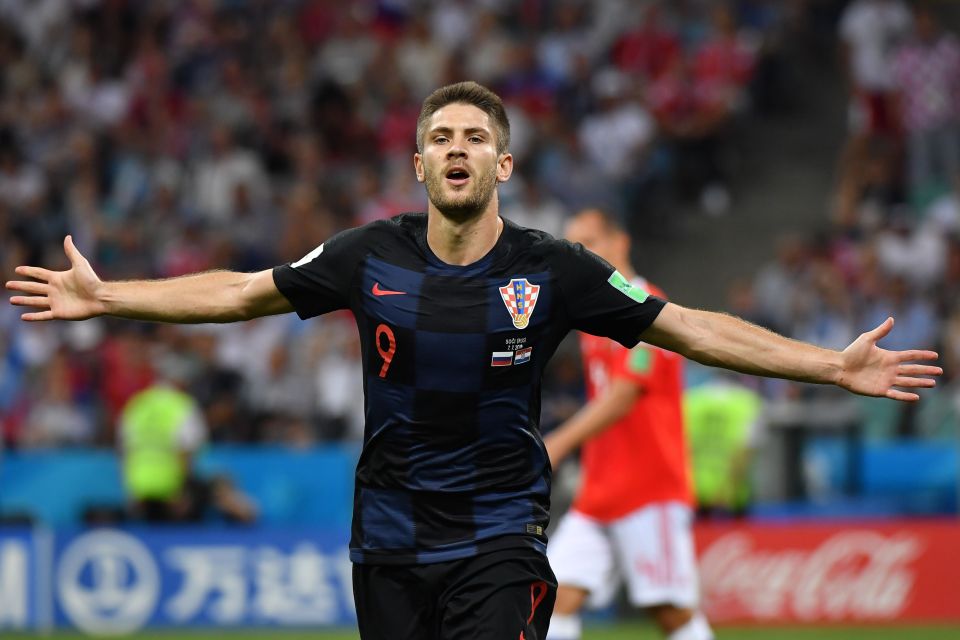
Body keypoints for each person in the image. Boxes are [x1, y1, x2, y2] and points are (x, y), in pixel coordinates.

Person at [5, 81, 941, 640]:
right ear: (419, 166)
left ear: (505, 166)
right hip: (387, 544)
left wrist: (830, 364)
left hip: (499, 539)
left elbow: (689, 325)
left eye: (476, 138)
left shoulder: (556, 269)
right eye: (442, 138)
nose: (459, 150)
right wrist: (112, 295)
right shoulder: (366, 256)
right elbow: (241, 292)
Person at [544, 208, 711, 640]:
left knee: (670, 612)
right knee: (551, 599)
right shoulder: (592, 318)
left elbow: (623, 396)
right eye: (573, 245)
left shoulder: (648, 307)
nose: (580, 254)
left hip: (648, 488)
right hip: (598, 492)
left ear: (621, 243)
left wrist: (558, 443)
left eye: (590, 242)